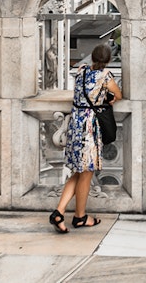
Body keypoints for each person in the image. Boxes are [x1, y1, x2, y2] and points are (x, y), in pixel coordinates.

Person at [49, 43, 122, 233]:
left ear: (92, 57)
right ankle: (80, 217)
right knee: (86, 173)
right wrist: (109, 97)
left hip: (75, 125)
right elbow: (118, 94)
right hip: (90, 127)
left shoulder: (80, 72)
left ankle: (59, 212)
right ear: (108, 60)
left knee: (78, 172)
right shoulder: (105, 76)